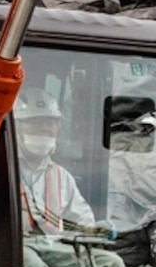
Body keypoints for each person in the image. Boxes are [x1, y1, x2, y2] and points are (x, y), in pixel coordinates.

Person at [14, 89, 97, 235]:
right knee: (32, 259)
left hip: (55, 246)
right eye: (35, 121)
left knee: (110, 259)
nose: (44, 128)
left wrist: (96, 229)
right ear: (16, 128)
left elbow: (80, 220)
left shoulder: (62, 176)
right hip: (17, 245)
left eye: (50, 122)